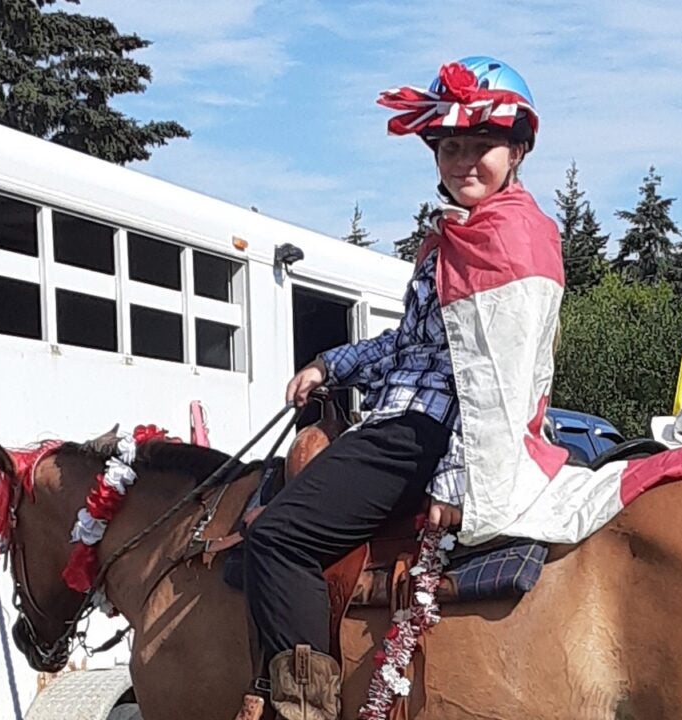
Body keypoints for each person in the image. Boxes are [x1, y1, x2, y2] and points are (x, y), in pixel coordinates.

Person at [234, 56, 567, 720]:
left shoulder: (509, 238)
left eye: (483, 146)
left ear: (520, 149)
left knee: (277, 537)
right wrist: (330, 364)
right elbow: (410, 346)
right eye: (451, 146)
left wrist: (455, 479)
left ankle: (302, 709)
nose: (465, 160)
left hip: (429, 432)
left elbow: (504, 371)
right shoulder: (452, 239)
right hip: (409, 417)